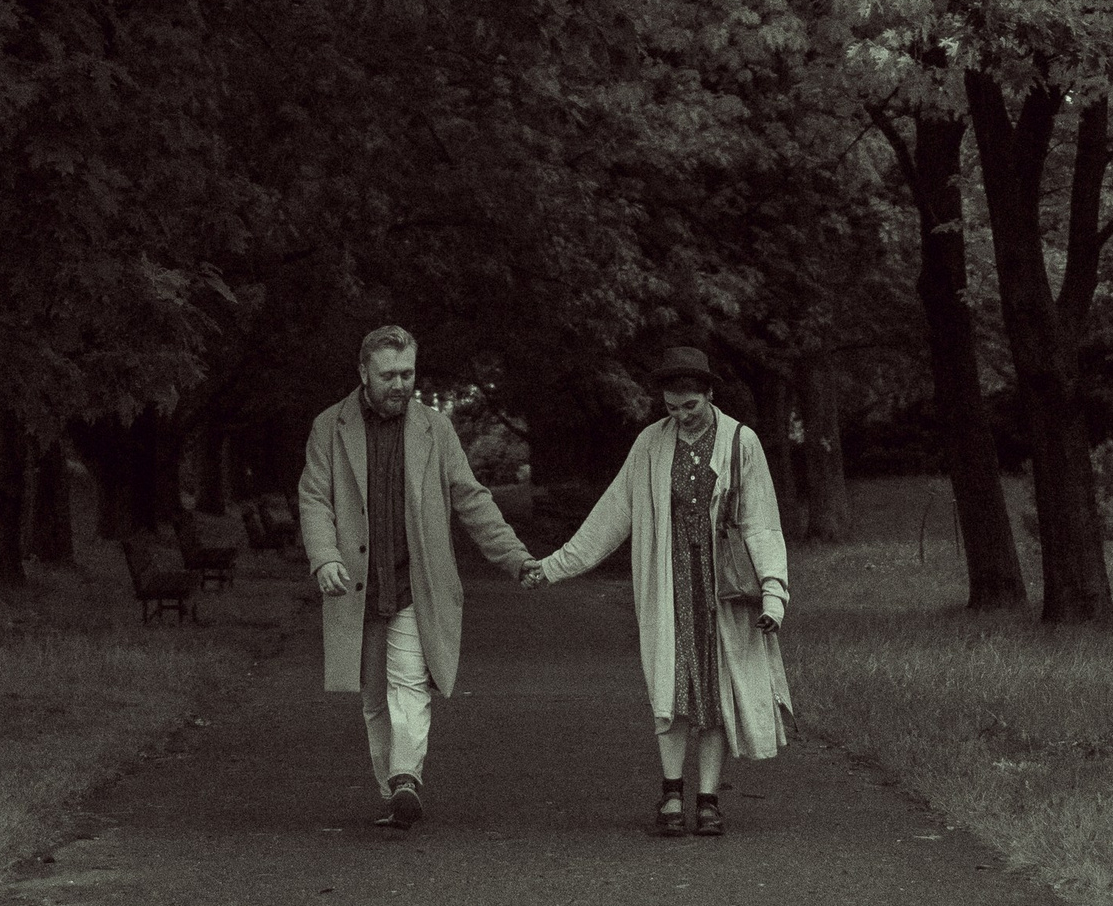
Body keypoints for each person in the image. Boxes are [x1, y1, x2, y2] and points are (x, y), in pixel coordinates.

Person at [523, 343, 791, 836]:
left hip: (723, 592)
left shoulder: (741, 442)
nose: (681, 416)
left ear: (709, 394)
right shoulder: (650, 443)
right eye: (671, 407)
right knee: (671, 687)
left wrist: (773, 593)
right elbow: (612, 514)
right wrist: (553, 567)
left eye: (690, 406)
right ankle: (671, 794)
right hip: (669, 587)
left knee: (716, 690)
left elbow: (762, 523)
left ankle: (708, 800)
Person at [296, 322, 538, 830]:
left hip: (415, 583)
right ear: (363, 372)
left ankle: (406, 779)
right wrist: (325, 556)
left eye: (407, 373)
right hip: (358, 585)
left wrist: (515, 558)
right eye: (388, 375)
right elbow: (315, 497)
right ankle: (393, 790)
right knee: (373, 698)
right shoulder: (329, 427)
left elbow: (471, 499)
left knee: (409, 682)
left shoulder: (435, 429)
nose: (400, 384)